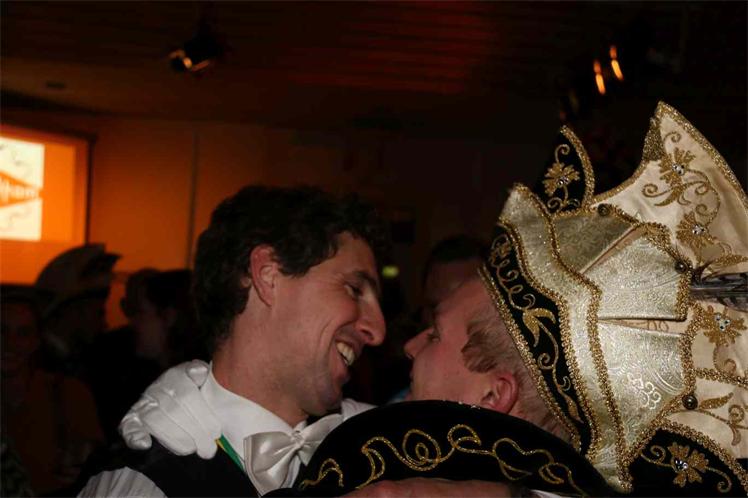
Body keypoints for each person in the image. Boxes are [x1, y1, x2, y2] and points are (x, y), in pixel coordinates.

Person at [118, 102, 748, 496]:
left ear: (496, 396)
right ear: (267, 277)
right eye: (354, 288)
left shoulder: (384, 469)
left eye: (435, 332)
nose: (389, 335)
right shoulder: (154, 466)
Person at [79, 185, 389, 497]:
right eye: (353, 289)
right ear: (268, 275)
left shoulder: (366, 457)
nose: (378, 331)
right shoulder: (144, 483)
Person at [1, 284, 105, 495]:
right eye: (1, 331)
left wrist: (84, 471)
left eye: (23, 333)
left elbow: (95, 467)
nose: (10, 343)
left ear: (36, 341)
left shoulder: (68, 394)